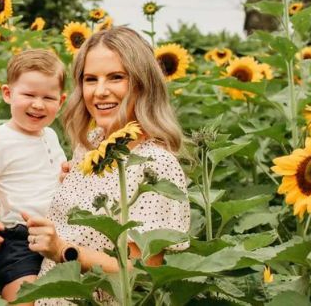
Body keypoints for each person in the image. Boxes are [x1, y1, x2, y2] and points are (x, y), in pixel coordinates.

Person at [24, 26, 190, 305]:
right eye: (90, 79)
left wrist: (65, 250)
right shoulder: (90, 145)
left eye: (116, 77)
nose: (100, 92)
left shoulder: (158, 164)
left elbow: (144, 271)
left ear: (143, 82)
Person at [0, 49, 68, 303]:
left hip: (59, 233)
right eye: (28, 95)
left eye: (48, 98)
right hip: (20, 238)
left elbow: (57, 176)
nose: (38, 104)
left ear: (60, 102)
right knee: (23, 297)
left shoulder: (50, 136)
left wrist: (67, 173)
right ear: (8, 93)